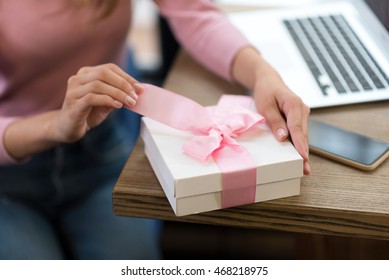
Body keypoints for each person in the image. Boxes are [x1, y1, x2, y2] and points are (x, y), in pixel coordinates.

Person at [0, 0, 310, 260]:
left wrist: (262, 74)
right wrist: (55, 126)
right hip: (9, 180)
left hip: (104, 151)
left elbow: (195, 15)